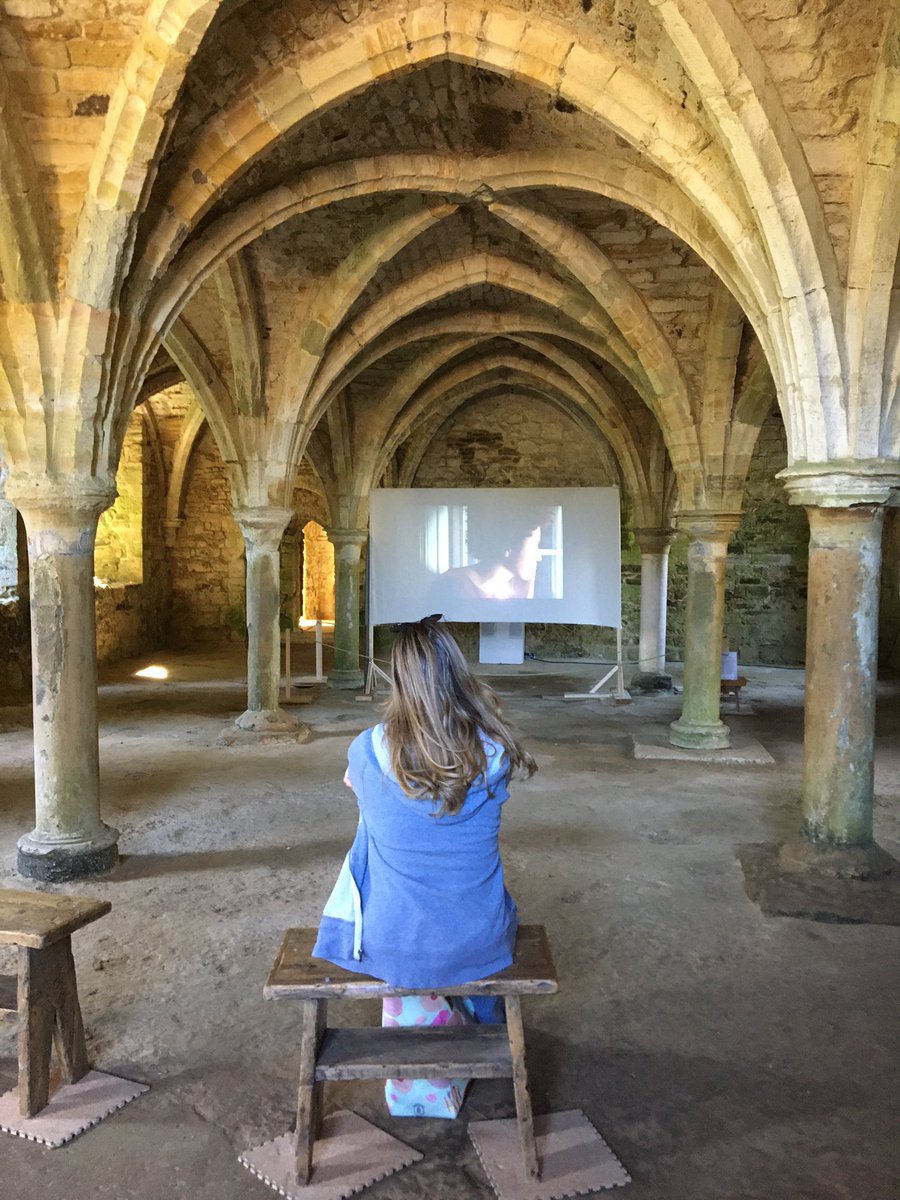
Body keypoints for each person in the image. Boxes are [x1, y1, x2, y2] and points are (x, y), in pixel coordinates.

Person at [313, 615, 537, 995]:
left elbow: (370, 794)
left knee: (372, 829)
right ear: (457, 672)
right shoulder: (495, 751)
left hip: (392, 943)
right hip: (481, 942)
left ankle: (421, 1008)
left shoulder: (366, 748)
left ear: (399, 679)